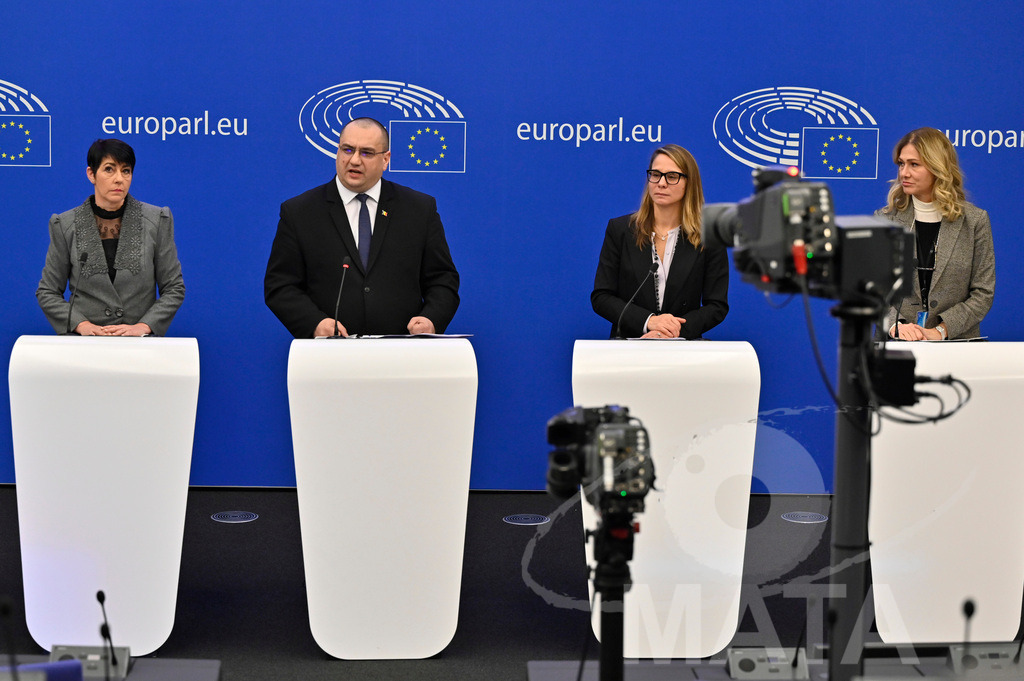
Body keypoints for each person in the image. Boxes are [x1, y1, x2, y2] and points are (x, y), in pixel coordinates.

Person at [265, 117, 459, 338]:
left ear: (385, 160)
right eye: (347, 150)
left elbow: (443, 279)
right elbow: (281, 286)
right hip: (328, 356)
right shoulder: (300, 212)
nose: (354, 160)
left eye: (366, 153)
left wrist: (431, 319)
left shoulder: (418, 209)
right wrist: (315, 323)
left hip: (403, 353)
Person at [36, 139, 185, 336]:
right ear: (91, 174)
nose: (119, 179)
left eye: (126, 171)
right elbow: (47, 292)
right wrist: (81, 325)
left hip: (138, 347)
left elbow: (174, 288)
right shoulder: (65, 225)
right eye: (109, 169)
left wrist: (144, 326)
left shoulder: (157, 220)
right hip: (83, 346)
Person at [591, 144, 728, 339]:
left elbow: (717, 306)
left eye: (672, 177)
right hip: (629, 348)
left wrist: (673, 331)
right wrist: (648, 322)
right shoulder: (620, 229)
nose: (661, 183)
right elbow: (602, 297)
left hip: (684, 349)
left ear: (690, 183)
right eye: (655, 174)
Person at [877, 127, 995, 340]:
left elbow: (983, 293)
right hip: (894, 346)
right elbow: (873, 288)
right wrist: (897, 325)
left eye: (914, 164)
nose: (904, 173)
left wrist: (940, 331)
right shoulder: (884, 220)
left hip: (956, 346)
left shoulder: (975, 221)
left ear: (937, 167)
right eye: (901, 164)